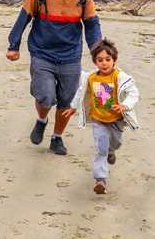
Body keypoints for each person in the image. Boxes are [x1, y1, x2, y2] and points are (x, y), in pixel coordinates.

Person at [6, 0, 102, 156]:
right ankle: (42, 120)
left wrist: (98, 52)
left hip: (70, 56)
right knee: (45, 96)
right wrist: (13, 46)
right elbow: (23, 18)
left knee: (66, 100)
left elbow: (92, 26)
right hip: (42, 53)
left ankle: (57, 138)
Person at [61, 39, 139, 194]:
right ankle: (101, 180)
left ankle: (112, 151)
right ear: (95, 62)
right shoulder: (91, 78)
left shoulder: (120, 77)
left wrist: (125, 105)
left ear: (114, 60)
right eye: (100, 60)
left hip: (116, 120)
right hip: (99, 121)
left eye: (108, 60)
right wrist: (73, 107)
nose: (104, 63)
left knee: (116, 143)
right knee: (100, 148)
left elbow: (133, 93)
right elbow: (80, 92)